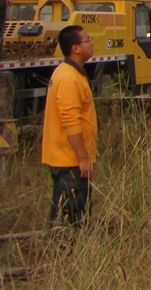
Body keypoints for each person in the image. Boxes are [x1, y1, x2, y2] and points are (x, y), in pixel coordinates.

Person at [42, 25, 97, 228]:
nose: (91, 43)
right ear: (76, 48)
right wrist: (83, 157)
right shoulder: (69, 78)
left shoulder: (69, 73)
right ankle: (63, 248)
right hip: (70, 160)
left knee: (72, 214)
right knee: (69, 219)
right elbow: (70, 122)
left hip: (69, 158)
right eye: (88, 40)